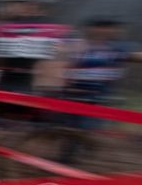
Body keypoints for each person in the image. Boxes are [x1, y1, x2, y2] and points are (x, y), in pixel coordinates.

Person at [56, 16, 140, 163]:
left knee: (85, 127)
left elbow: (137, 56)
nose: (106, 31)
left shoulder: (120, 48)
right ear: (90, 29)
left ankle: (72, 155)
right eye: (101, 27)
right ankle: (66, 154)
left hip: (98, 95)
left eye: (110, 28)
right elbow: (55, 58)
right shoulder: (74, 44)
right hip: (71, 93)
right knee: (67, 127)